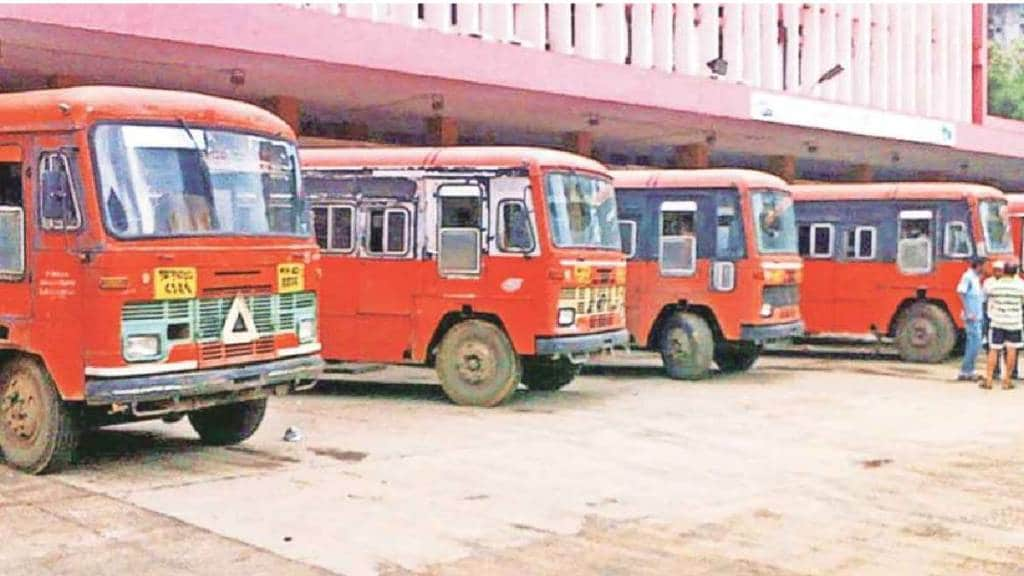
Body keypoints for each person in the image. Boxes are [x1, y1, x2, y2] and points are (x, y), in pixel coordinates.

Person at [982, 260, 1024, 390]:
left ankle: (988, 380)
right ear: (1016, 272)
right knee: (1011, 350)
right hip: (1014, 323)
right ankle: (1007, 380)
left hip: (997, 322)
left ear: (1004, 271)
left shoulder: (994, 286)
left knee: (994, 350)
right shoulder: (1021, 286)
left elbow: (987, 296)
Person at [956, 257, 986, 381]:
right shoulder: (968, 277)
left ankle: (969, 370)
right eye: (983, 265)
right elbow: (961, 292)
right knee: (974, 343)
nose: (984, 268)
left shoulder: (975, 278)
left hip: (977, 315)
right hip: (972, 316)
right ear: (978, 265)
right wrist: (968, 312)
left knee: (975, 343)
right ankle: (966, 371)